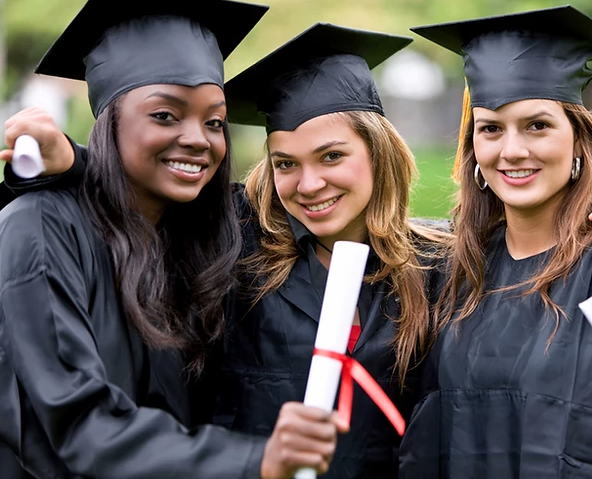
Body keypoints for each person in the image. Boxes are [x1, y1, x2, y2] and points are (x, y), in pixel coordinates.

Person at [2, 21, 592, 479]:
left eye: (331, 156)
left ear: (377, 153)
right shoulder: (236, 245)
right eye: (285, 162)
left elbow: (531, 248)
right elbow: (154, 184)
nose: (309, 183)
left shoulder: (441, 266)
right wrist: (78, 162)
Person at [0, 1, 345, 478]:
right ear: (109, 121)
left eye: (215, 121)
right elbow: (77, 424)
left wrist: (82, 165)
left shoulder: (193, 232)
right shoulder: (39, 227)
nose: (198, 139)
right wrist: (255, 460)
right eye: (165, 115)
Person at [398, 5, 592, 479]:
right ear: (473, 150)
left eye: (537, 125)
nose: (511, 151)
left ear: (578, 140)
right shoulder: (446, 270)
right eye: (490, 129)